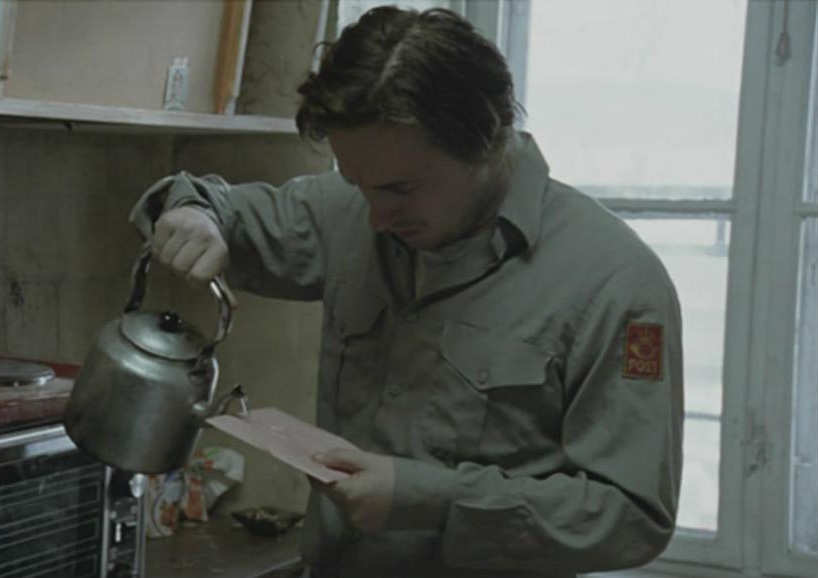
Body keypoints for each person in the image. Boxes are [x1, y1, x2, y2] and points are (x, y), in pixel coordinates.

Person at [130, 6, 683, 578]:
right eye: (357, 184)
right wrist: (193, 213)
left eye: (401, 189)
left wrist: (430, 499)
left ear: (487, 142)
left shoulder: (614, 282)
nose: (374, 217)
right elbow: (215, 205)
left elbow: (631, 517)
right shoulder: (351, 209)